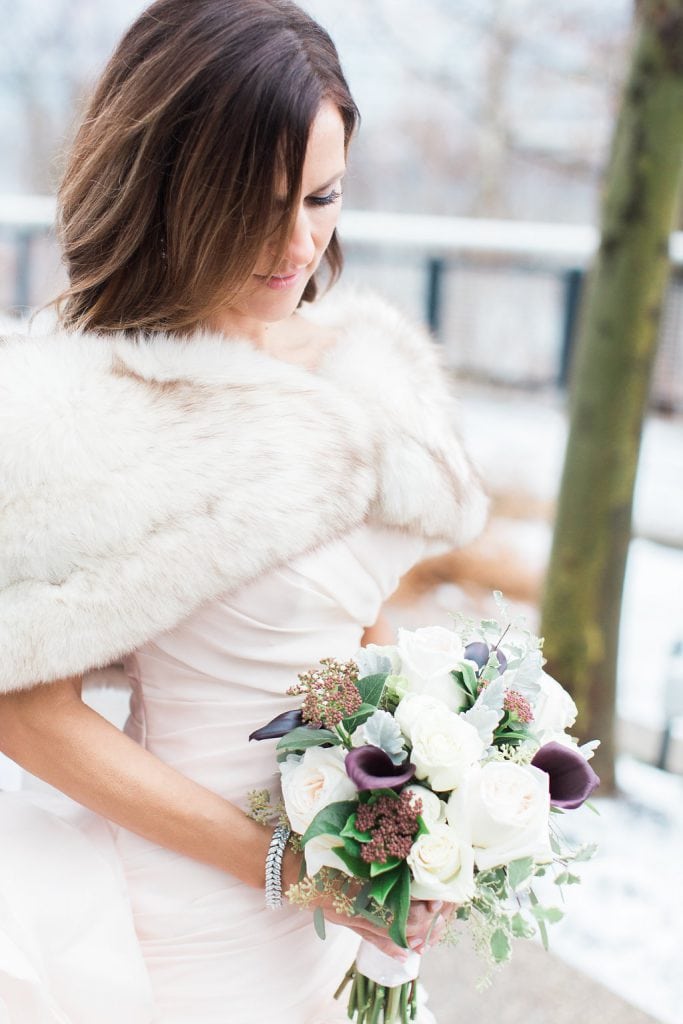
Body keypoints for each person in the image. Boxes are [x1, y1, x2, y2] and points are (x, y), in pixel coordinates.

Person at [0, 1, 488, 1021]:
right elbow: (24, 711)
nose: (298, 241)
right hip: (183, 915)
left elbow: (350, 629)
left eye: (323, 196)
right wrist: (287, 866)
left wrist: (413, 808)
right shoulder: (77, 406)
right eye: (261, 201)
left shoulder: (365, 368)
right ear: (173, 186)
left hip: (338, 910)